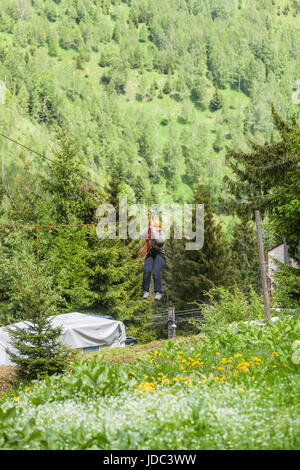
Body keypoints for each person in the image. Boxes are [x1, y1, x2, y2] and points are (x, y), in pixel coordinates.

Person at [140, 217, 166, 300]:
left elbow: (159, 241)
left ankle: (158, 292)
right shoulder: (149, 234)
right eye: (154, 227)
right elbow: (141, 234)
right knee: (147, 270)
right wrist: (148, 227)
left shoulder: (162, 234)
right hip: (150, 254)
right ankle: (145, 291)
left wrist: (153, 230)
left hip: (160, 255)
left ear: (160, 228)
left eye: (157, 227)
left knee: (156, 271)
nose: (156, 228)